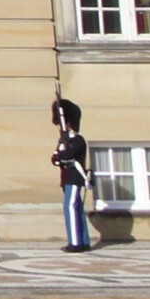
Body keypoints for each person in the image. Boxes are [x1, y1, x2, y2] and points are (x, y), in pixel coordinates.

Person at [52, 95, 96, 251]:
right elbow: (55, 158)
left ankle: (75, 243)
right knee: (77, 208)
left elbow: (66, 156)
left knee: (70, 207)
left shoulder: (78, 140)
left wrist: (61, 153)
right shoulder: (64, 141)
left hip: (74, 178)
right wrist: (60, 153)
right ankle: (83, 242)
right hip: (66, 178)